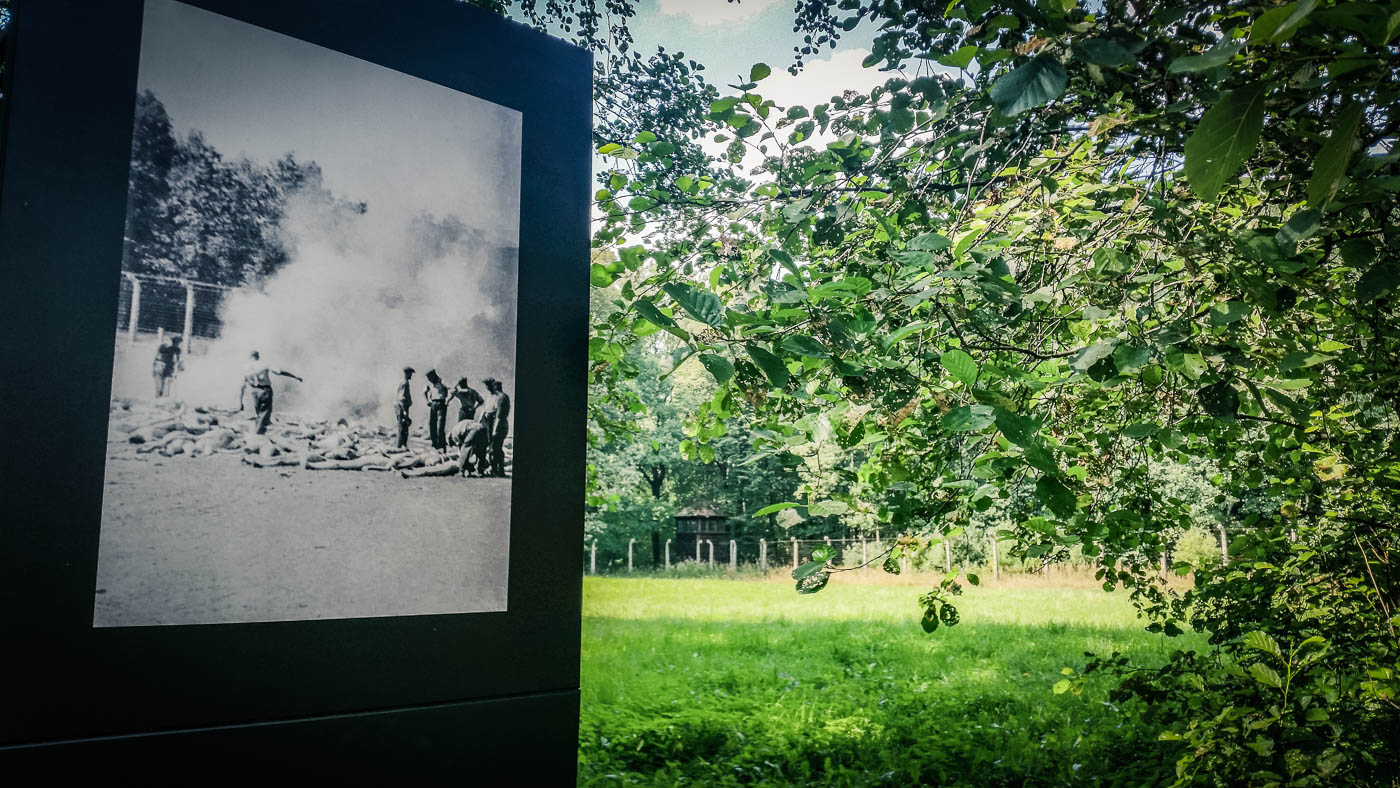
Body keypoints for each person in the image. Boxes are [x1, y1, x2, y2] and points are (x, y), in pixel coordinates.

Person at [239, 350, 302, 435]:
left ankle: (259, 434)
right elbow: (280, 372)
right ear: (258, 356)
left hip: (254, 392)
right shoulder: (264, 364)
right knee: (264, 415)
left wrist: (241, 402)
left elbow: (242, 386)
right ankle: (257, 436)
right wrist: (295, 377)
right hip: (265, 391)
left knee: (260, 415)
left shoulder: (245, 368)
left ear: (250, 357)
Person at [481, 377, 511, 477]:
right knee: (496, 448)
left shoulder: (501, 398)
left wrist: (494, 430)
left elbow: (499, 416)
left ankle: (496, 470)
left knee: (494, 448)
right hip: (495, 423)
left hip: (497, 425)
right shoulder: (499, 397)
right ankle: (499, 470)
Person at [423, 369, 449, 451]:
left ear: (434, 375)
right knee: (432, 426)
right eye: (428, 379)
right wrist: (427, 401)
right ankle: (434, 445)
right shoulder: (430, 384)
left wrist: (447, 399)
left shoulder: (442, 381)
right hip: (433, 404)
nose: (429, 380)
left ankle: (441, 446)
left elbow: (451, 389)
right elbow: (424, 392)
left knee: (440, 427)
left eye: (430, 378)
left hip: (441, 403)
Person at [395, 367, 415, 449]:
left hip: (401, 407)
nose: (411, 375)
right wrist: (404, 411)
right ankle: (401, 446)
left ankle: (401, 446)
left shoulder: (402, 382)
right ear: (407, 373)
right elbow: (401, 398)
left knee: (403, 427)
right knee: (403, 427)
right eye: (410, 373)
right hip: (402, 407)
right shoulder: (405, 383)